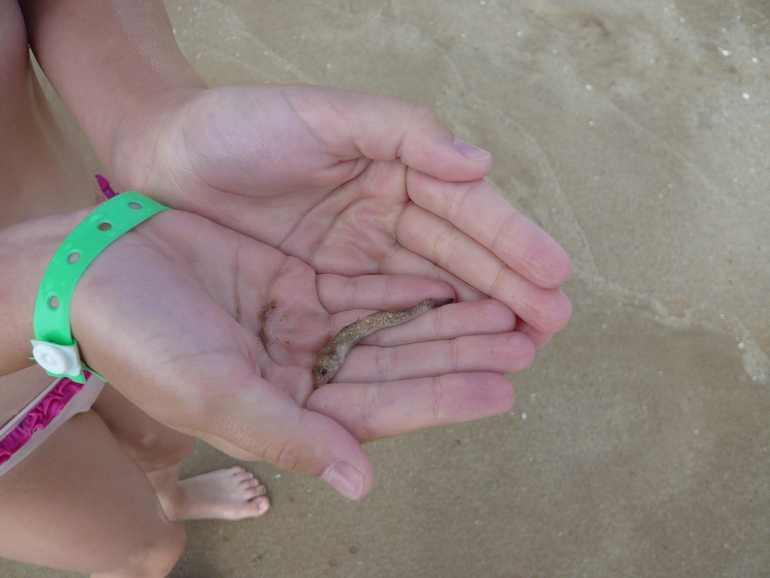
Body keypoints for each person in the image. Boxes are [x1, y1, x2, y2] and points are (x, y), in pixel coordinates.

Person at [0, 0, 572, 575]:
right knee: (143, 550)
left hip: (122, 255)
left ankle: (171, 492)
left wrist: (151, 119)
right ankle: (158, 525)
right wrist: (38, 280)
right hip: (18, 428)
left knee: (164, 439)